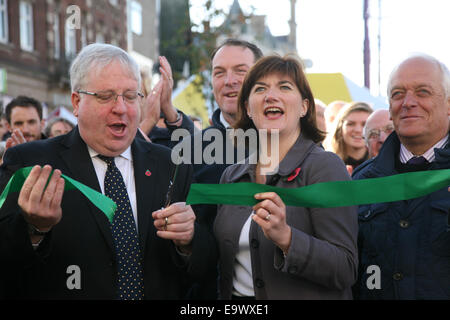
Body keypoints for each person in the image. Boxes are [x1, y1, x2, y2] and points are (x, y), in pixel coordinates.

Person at [0, 43, 216, 299]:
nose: (121, 108)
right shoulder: (30, 162)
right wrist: (35, 229)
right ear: (77, 102)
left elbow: (204, 268)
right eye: (106, 96)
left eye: (130, 96)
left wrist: (189, 241)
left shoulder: (171, 164)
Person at [214, 55, 358, 299]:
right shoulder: (231, 175)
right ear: (248, 108)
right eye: (260, 89)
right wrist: (187, 240)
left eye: (284, 87)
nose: (271, 96)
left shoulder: (326, 168)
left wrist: (288, 239)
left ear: (304, 106)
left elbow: (345, 268)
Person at [352, 53, 450, 299]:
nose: (407, 102)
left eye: (423, 92)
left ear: (449, 104)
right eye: (397, 94)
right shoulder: (364, 181)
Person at [177, 39, 263, 299]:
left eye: (240, 70)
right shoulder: (189, 152)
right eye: (219, 72)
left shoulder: (292, 147)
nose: (229, 80)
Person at [139, 56, 195, 148]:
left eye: (133, 95)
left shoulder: (160, 138)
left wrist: (168, 107)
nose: (121, 105)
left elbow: (198, 150)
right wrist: (147, 123)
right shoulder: (109, 135)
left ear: (148, 98)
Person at [324, 101, 373, 174]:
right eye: (351, 124)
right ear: (340, 128)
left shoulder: (383, 164)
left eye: (364, 124)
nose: (358, 130)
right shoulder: (324, 164)